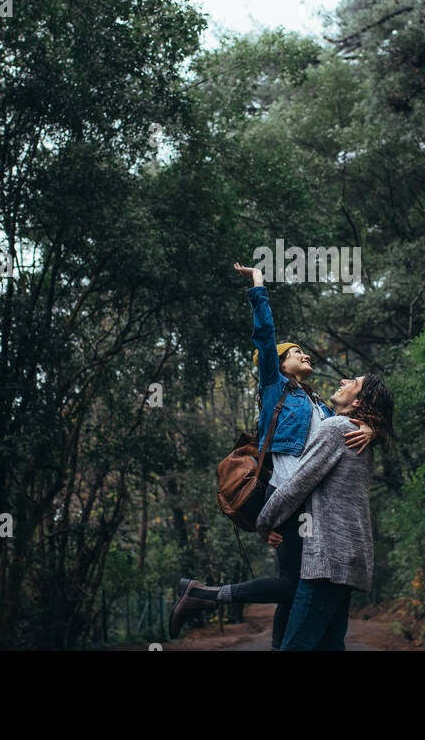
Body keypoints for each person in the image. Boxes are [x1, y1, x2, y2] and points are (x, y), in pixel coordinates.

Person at [167, 263, 373, 648]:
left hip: (309, 501)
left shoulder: (320, 406)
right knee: (294, 584)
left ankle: (218, 605)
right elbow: (265, 334)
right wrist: (259, 283)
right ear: (279, 364)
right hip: (288, 495)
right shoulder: (275, 389)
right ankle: (204, 596)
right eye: (295, 352)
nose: (304, 354)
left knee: (294, 585)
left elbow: (346, 432)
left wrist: (372, 427)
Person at [256, 372, 394, 651]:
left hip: (328, 560)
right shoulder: (357, 434)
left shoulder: (337, 429)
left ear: (358, 402)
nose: (344, 381)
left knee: (296, 645)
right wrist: (375, 429)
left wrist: (263, 521)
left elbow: (298, 483)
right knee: (329, 645)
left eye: (353, 383)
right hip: (349, 557)